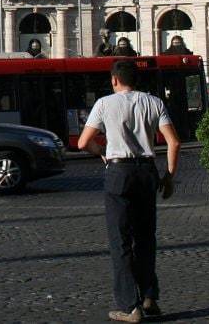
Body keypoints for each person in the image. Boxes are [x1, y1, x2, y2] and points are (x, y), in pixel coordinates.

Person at [77, 59, 181, 322]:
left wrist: (100, 152)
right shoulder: (153, 102)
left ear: (114, 79)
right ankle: (149, 297)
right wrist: (168, 176)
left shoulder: (104, 104)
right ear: (137, 80)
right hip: (147, 171)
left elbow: (82, 143)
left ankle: (129, 306)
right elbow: (174, 142)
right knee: (146, 238)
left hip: (118, 173)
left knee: (120, 240)